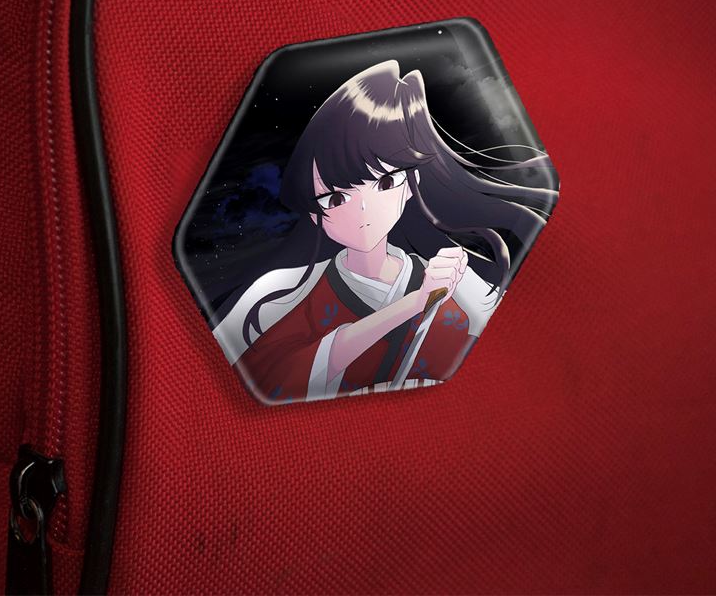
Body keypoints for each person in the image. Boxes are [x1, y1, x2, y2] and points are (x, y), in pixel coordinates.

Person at [211, 59, 557, 404]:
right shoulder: (281, 292)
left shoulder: (455, 278)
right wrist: (412, 305)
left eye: (386, 182)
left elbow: (514, 342)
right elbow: (262, 378)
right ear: (315, 214)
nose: (363, 211)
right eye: (335, 198)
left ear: (411, 185)